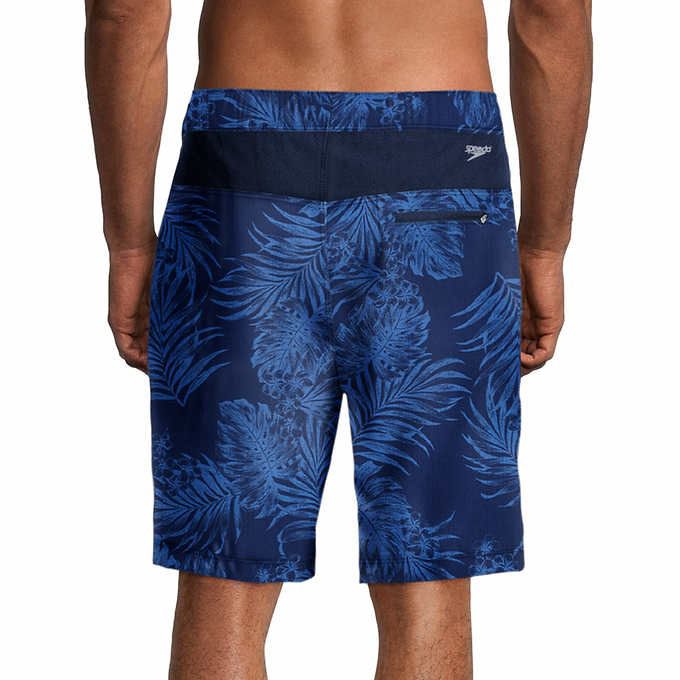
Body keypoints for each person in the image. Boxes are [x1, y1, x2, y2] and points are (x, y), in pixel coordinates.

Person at [85, 0, 592, 677]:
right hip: (441, 164)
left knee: (223, 570)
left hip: (243, 167)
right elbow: (554, 11)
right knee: (427, 571)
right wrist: (544, 244)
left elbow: (124, 12)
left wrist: (127, 243)